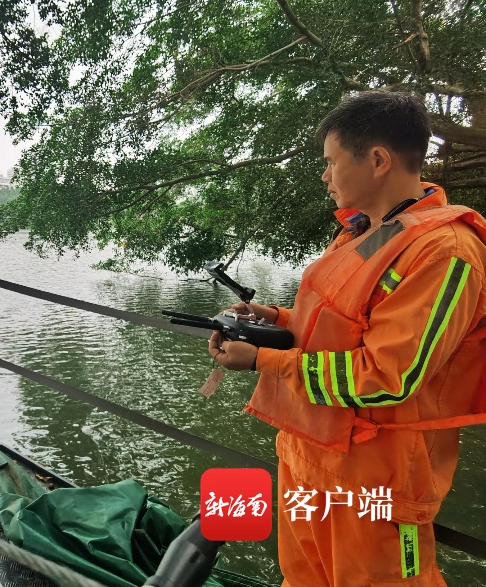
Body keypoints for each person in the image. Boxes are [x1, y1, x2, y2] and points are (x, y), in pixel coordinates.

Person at [208, 91, 486, 587]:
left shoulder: (444, 251)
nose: (325, 176)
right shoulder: (369, 232)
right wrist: (271, 318)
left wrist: (262, 360)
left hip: (375, 478)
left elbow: (388, 376)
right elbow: (341, 323)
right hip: (309, 455)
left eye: (331, 162)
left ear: (378, 160)